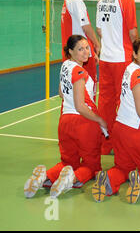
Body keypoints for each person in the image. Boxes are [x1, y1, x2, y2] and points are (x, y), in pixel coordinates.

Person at [24, 35, 106, 199]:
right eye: (80, 49)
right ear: (70, 51)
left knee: (68, 163)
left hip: (65, 122)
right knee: (92, 166)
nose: (85, 52)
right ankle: (71, 178)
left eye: (87, 48)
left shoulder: (65, 66)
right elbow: (80, 106)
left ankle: (44, 177)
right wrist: (100, 120)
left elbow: (61, 93)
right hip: (83, 123)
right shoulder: (80, 72)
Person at [91, 38, 140, 204]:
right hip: (138, 130)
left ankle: (108, 178)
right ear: (134, 54)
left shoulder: (129, 69)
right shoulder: (139, 76)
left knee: (123, 167)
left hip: (121, 128)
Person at [96, 0, 138, 155]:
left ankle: (105, 144)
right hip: (122, 60)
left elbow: (98, 29)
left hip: (105, 59)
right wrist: (138, 55)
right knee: (125, 102)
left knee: (105, 102)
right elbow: (133, 32)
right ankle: (123, 144)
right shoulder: (126, 0)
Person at [61, 0, 100, 89]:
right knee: (87, 92)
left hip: (71, 54)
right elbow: (86, 27)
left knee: (70, 92)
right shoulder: (76, 0)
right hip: (80, 55)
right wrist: (96, 44)